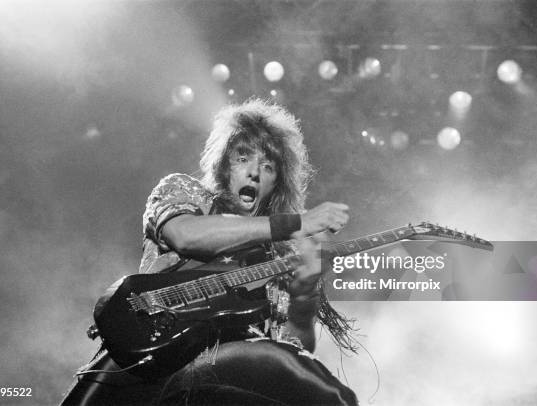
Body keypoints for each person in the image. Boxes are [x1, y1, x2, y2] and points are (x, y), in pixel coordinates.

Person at [61, 98, 357, 405]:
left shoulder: (278, 257)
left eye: (268, 167)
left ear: (276, 185)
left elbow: (294, 347)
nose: (254, 172)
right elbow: (186, 236)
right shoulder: (187, 193)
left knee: (313, 385)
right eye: (243, 158)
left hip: (229, 372)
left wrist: (304, 298)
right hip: (150, 357)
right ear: (224, 164)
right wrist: (295, 223)